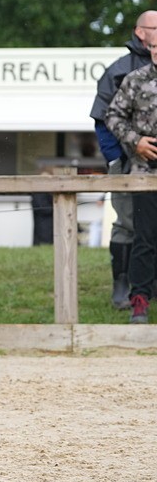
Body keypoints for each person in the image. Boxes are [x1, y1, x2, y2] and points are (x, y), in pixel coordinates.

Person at [90, 10, 156, 308]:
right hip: (131, 164)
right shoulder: (119, 70)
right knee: (127, 224)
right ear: (140, 32)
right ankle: (122, 283)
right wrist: (118, 159)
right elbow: (104, 120)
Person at [106, 40, 157, 325]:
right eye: (154, 46)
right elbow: (112, 116)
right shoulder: (135, 80)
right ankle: (139, 301)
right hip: (145, 174)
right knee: (144, 238)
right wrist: (135, 142)